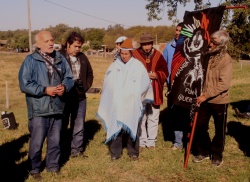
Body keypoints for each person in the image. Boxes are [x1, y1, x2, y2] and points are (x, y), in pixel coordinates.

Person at [18, 30, 74, 180]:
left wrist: (64, 87)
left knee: (55, 141)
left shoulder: (61, 59)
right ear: (38, 44)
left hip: (57, 107)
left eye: (52, 40)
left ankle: (53, 167)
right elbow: (25, 84)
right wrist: (44, 90)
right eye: (46, 41)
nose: (50, 43)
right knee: (36, 143)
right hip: (39, 109)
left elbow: (69, 78)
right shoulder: (30, 60)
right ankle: (34, 169)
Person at [97, 39, 153, 161]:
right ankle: (115, 153)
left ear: (131, 53)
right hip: (117, 103)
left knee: (133, 126)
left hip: (132, 103)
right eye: (122, 53)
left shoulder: (138, 66)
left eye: (126, 54)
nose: (124, 56)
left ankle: (133, 152)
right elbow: (108, 84)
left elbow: (145, 83)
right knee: (116, 126)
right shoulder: (114, 66)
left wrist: (136, 94)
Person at [192, 30, 233, 167]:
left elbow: (224, 84)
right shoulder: (207, 56)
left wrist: (206, 95)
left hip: (219, 101)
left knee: (219, 130)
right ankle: (203, 151)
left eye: (213, 42)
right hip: (204, 100)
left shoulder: (226, 59)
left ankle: (216, 155)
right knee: (199, 127)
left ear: (220, 44)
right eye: (210, 41)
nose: (209, 44)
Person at [60, 32, 94, 158]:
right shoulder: (59, 57)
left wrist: (85, 87)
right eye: (75, 46)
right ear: (68, 44)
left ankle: (77, 150)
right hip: (63, 98)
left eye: (79, 47)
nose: (78, 49)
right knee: (61, 125)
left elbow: (90, 74)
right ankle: (61, 150)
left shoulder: (83, 57)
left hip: (80, 98)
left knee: (79, 125)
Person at [133, 33, 168, 149]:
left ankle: (151, 141)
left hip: (155, 90)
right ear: (141, 45)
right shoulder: (135, 55)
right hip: (140, 92)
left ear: (152, 44)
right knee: (141, 116)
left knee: (153, 116)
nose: (147, 47)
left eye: (149, 44)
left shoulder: (158, 55)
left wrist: (156, 75)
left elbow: (165, 71)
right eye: (145, 44)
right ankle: (142, 140)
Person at [163, 22, 189, 150]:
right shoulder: (169, 47)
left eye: (181, 31)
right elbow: (163, 66)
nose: (177, 33)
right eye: (177, 30)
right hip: (172, 87)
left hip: (187, 88)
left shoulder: (191, 47)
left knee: (187, 114)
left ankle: (187, 141)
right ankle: (177, 141)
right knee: (174, 114)